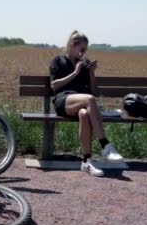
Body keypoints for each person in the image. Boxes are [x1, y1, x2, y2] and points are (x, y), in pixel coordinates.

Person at [49, 30, 124, 177]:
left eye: (85, 50)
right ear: (72, 45)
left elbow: (94, 92)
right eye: (81, 49)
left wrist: (91, 72)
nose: (83, 53)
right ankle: (105, 145)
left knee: (84, 114)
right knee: (89, 100)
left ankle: (87, 162)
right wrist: (75, 73)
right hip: (63, 101)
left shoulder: (85, 63)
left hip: (81, 103)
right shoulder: (58, 61)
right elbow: (54, 86)